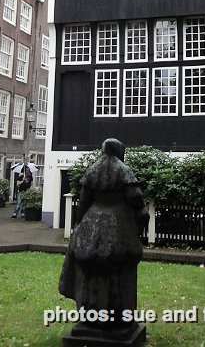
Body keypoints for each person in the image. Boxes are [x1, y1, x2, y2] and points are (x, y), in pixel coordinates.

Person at [59, 138, 149, 342]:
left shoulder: (92, 171)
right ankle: (118, 317)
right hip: (119, 226)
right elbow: (137, 201)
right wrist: (140, 223)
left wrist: (79, 227)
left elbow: (83, 203)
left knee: (90, 271)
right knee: (119, 271)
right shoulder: (124, 170)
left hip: (92, 224)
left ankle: (91, 316)